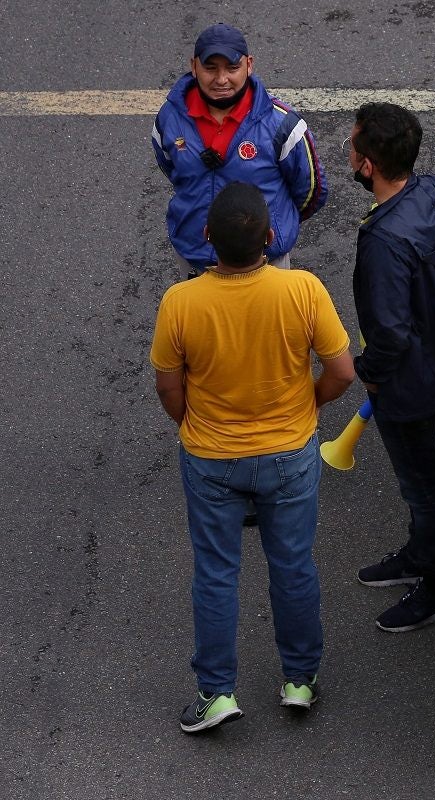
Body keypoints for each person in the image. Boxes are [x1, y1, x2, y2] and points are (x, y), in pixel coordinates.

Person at [150, 182, 355, 733]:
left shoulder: (180, 303)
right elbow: (341, 372)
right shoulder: (303, 291)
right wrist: (305, 409)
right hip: (289, 453)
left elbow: (169, 387)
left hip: (211, 457)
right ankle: (299, 681)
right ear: (269, 236)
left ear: (207, 237)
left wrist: (191, 422)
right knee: (292, 567)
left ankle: (216, 693)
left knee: (216, 573)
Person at [347, 102, 435, 633]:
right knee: (423, 481)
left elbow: (389, 333)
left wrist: (369, 372)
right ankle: (420, 553)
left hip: (411, 381)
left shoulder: (383, 240)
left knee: (422, 485)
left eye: (354, 145)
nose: (350, 151)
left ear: (368, 166)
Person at [152, 23, 327, 277]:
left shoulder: (283, 124)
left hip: (265, 262)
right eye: (210, 68)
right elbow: (171, 168)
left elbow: (312, 191)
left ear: (249, 64)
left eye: (232, 68)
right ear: (193, 67)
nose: (221, 79)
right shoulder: (169, 119)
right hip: (196, 258)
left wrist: (277, 222)